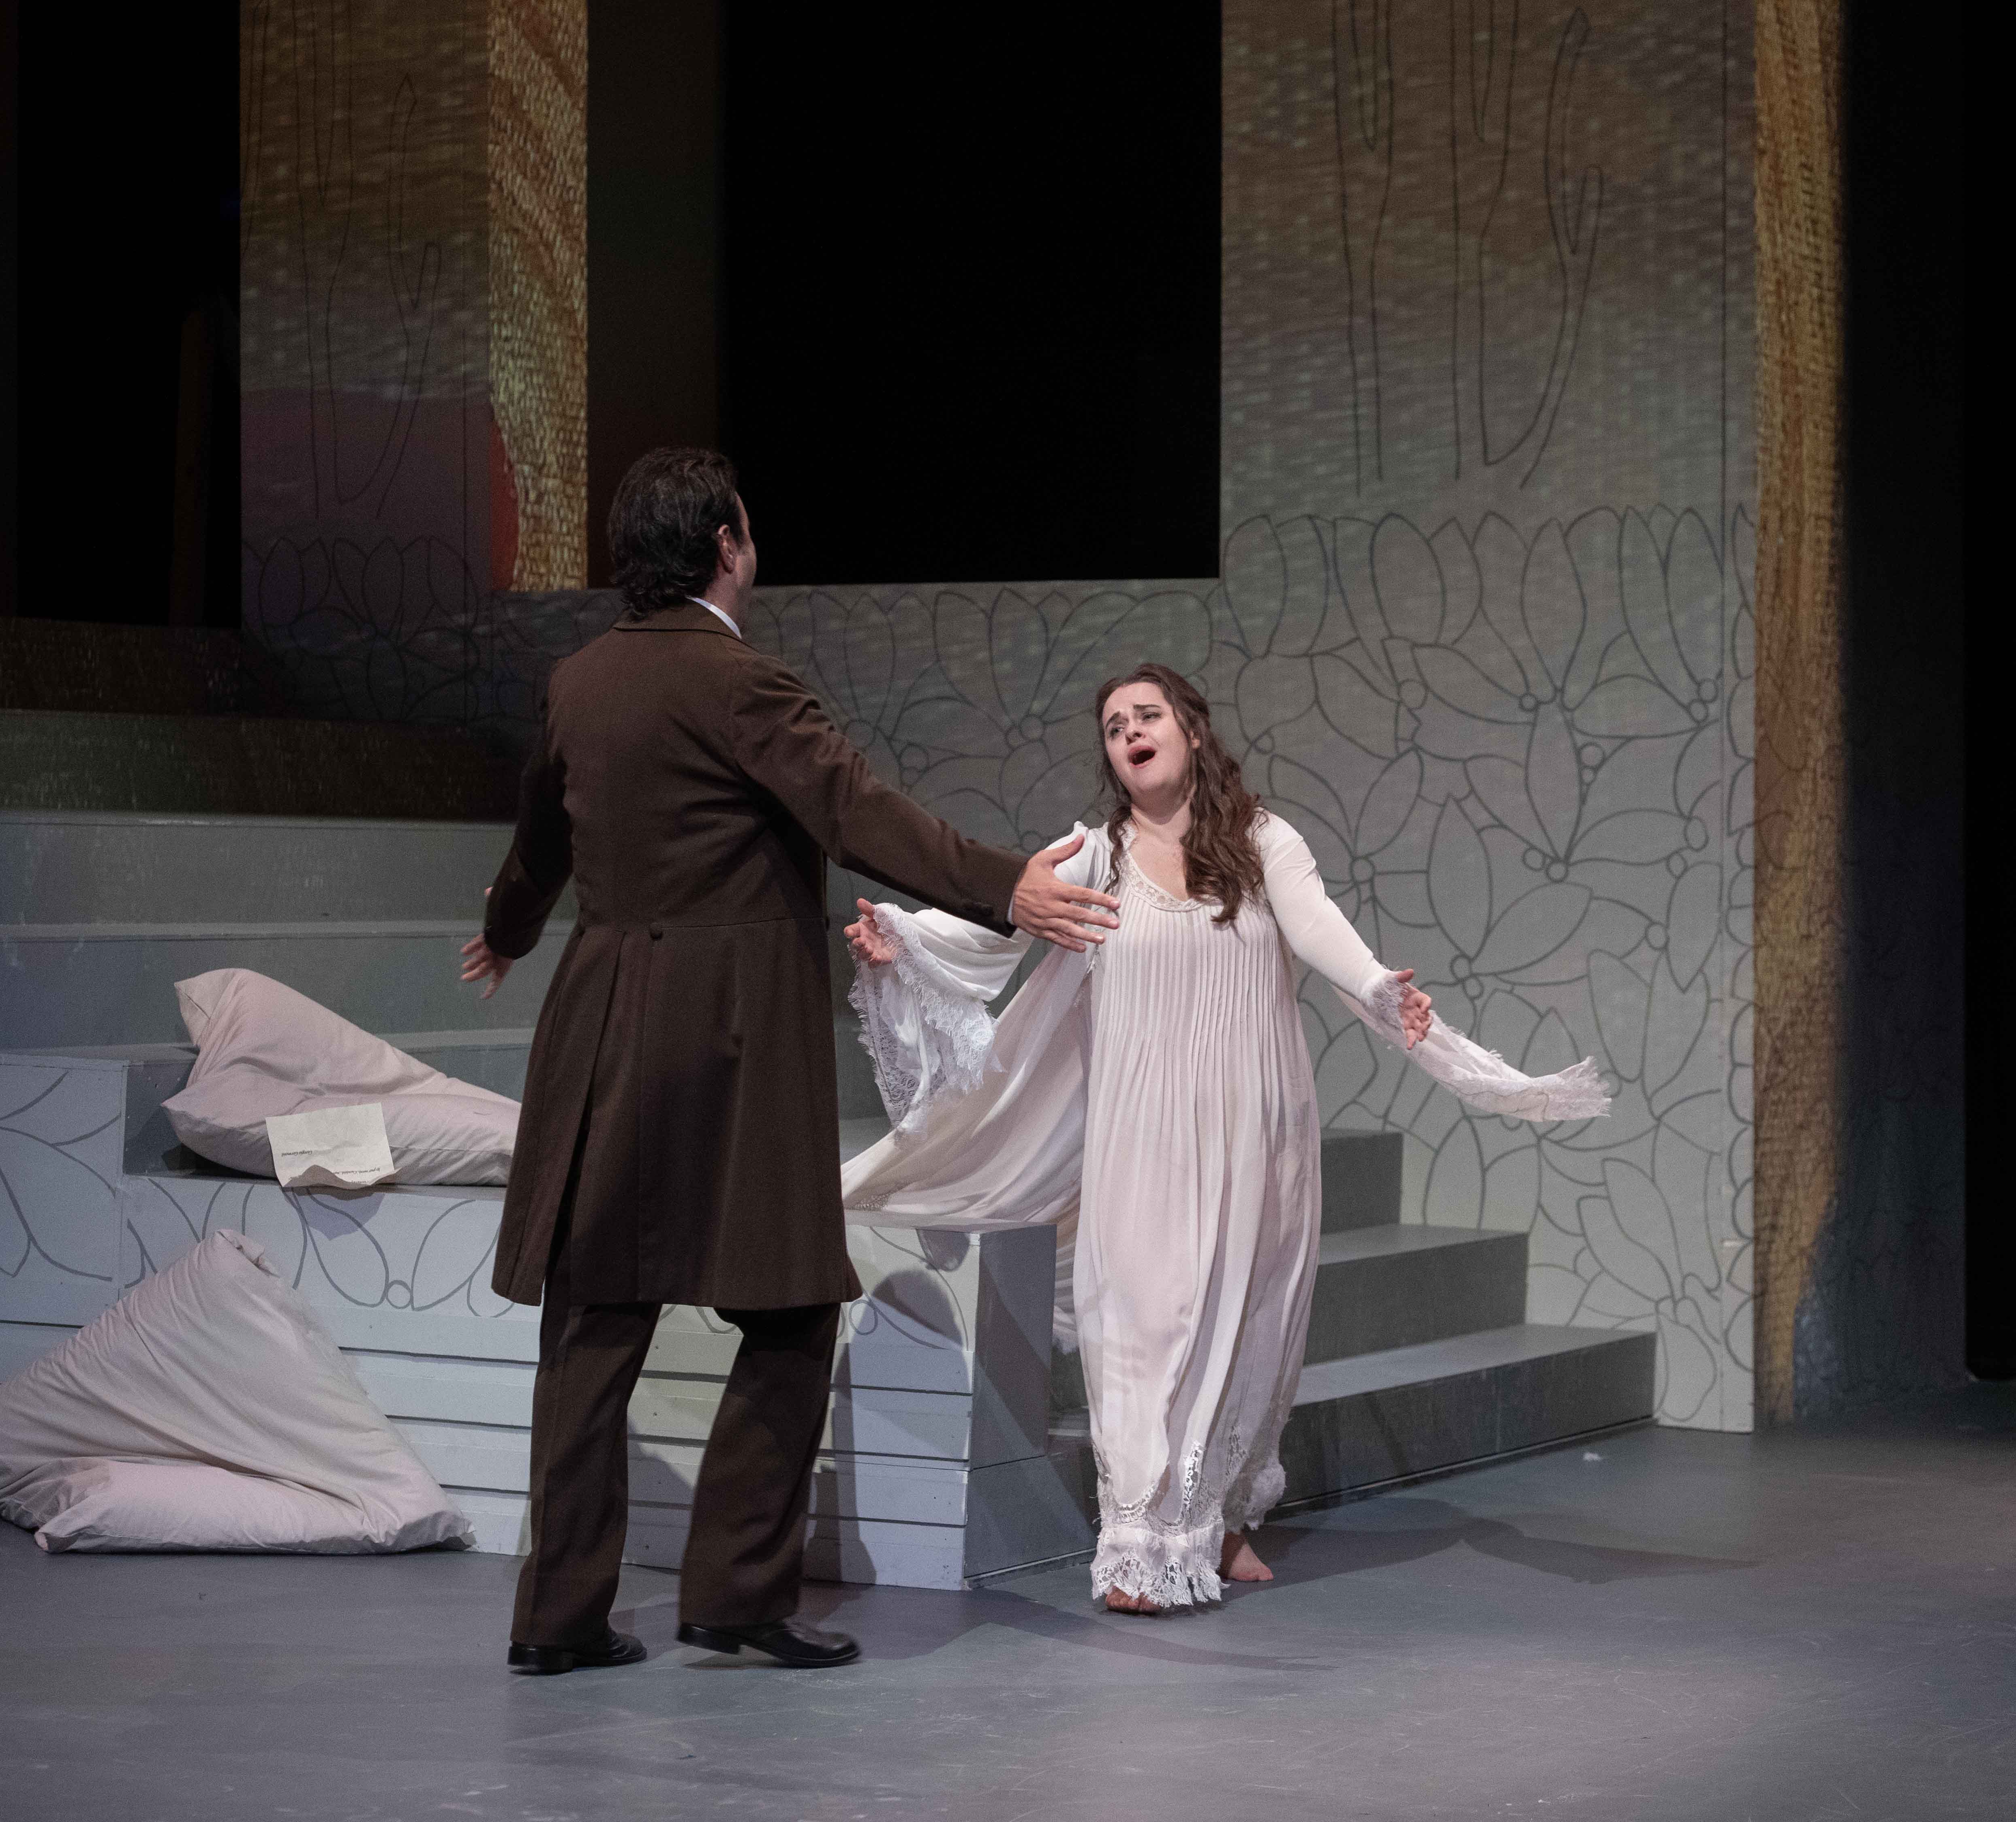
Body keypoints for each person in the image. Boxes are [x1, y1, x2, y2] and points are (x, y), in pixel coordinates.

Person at [458, 448, 1120, 1669]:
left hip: (602, 1018)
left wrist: (505, 932)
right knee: (792, 1302)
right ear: (727, 546)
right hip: (729, 1032)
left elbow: (540, 839)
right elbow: (856, 809)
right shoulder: (743, 682)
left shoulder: (579, 681)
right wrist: (1004, 888)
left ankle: (557, 1620)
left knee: (594, 1320)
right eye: (749, 531)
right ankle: (737, 1595)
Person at [842, 663, 1608, 1612]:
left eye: (1148, 715)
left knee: (1247, 1330)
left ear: (1194, 732)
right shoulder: (1094, 858)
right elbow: (1002, 921)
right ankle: (1139, 1550)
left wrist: (1376, 986)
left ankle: (1222, 1519)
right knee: (1140, 1326)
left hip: (1256, 1131)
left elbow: (1318, 927)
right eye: (1114, 725)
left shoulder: (1262, 842)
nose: (1131, 731)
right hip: (1140, 1140)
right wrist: (908, 940)